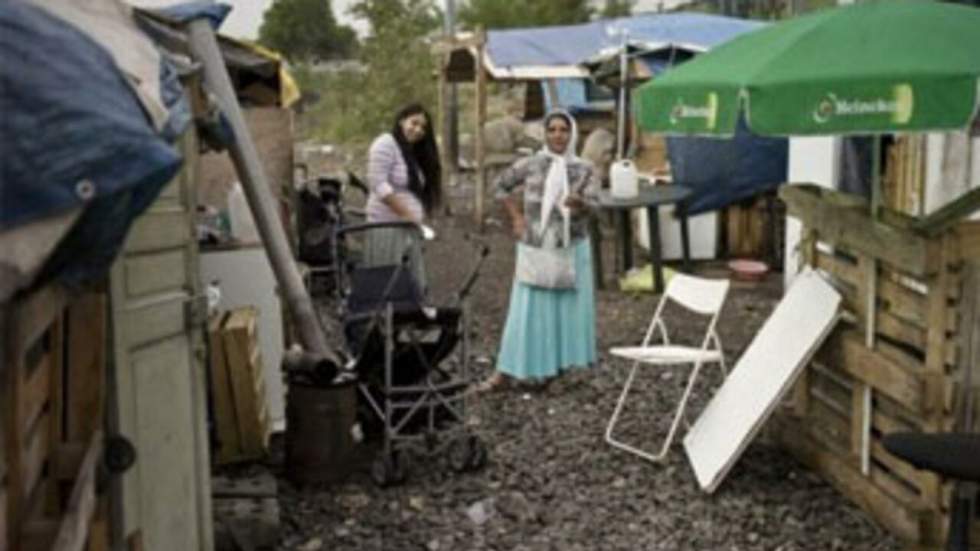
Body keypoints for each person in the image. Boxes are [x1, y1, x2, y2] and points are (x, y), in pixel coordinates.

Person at [477, 109, 600, 391]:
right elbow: (499, 186)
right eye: (552, 129)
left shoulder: (585, 169)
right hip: (535, 246)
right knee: (525, 309)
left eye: (564, 130)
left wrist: (580, 203)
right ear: (544, 134)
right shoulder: (531, 163)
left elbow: (597, 206)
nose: (558, 135)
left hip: (571, 248)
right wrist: (517, 217)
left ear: (573, 134)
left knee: (563, 311)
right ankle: (505, 372)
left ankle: (554, 370)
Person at [363, 103, 442, 291]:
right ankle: (384, 318)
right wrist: (405, 213)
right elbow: (378, 184)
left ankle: (408, 315)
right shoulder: (386, 143)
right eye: (414, 123)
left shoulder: (410, 153)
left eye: (423, 128)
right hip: (386, 225)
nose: (418, 130)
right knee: (386, 280)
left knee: (413, 281)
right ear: (401, 121)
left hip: (407, 228)